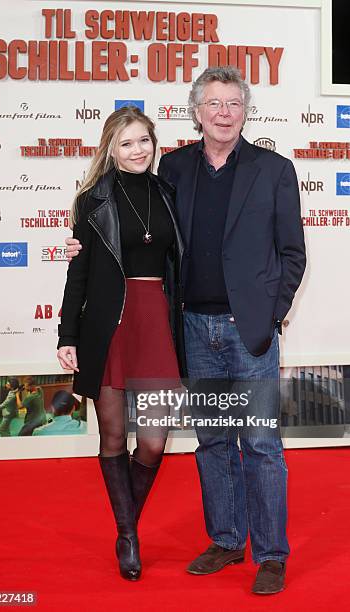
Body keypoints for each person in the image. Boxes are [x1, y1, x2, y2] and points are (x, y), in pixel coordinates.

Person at [65, 66, 306, 594]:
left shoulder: (275, 170)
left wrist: (271, 312)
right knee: (212, 441)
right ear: (194, 113)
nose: (224, 113)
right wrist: (82, 246)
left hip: (250, 332)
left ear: (246, 111)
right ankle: (225, 539)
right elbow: (127, 221)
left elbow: (293, 253)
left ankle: (269, 553)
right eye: (213, 104)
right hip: (191, 328)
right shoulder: (171, 169)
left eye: (233, 103)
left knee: (262, 442)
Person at [57, 106, 186, 581]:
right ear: (111, 149)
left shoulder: (168, 194)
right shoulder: (92, 200)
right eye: (127, 143)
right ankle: (128, 535)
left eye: (144, 141)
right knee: (113, 436)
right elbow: (79, 274)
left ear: (155, 144)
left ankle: (124, 523)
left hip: (155, 322)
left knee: (153, 442)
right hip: (108, 324)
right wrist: (66, 335)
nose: (138, 150)